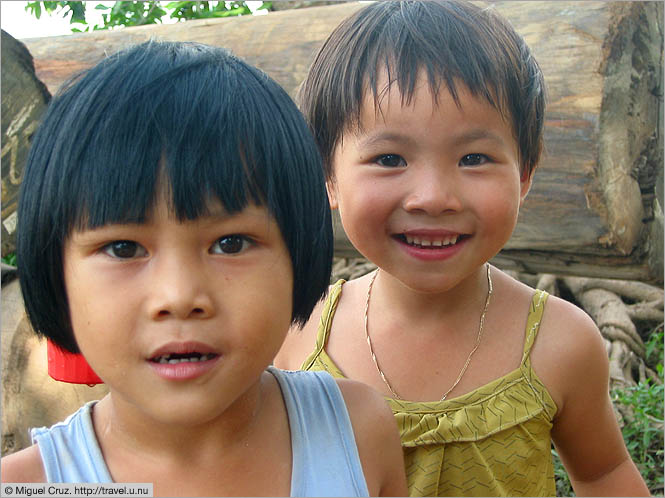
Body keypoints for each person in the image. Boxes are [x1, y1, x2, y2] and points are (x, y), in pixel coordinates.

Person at [274, 1, 651, 496]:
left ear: (525, 173)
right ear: (327, 175)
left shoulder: (560, 341)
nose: (433, 198)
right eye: (389, 158)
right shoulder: (297, 331)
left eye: (474, 157)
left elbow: (604, 473)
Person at [1, 40, 408, 497]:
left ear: (300, 253)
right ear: (55, 271)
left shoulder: (355, 431)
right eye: (122, 248)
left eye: (230, 244)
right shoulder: (31, 486)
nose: (178, 296)